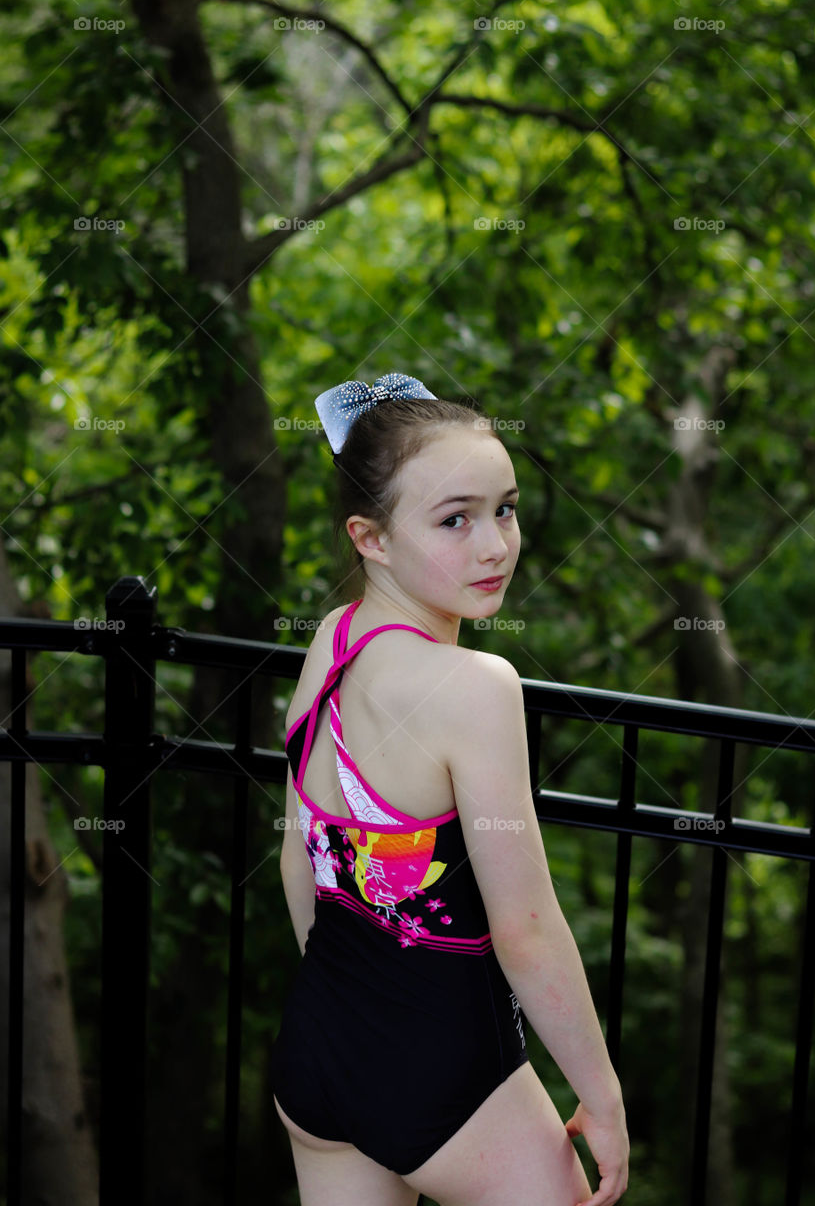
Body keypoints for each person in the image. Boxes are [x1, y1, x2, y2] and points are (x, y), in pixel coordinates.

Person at [270, 373, 629, 1206]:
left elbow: (299, 863)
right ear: (371, 538)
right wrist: (602, 1095)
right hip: (443, 1072)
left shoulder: (334, 639)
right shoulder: (476, 686)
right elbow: (527, 930)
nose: (495, 544)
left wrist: (357, 1017)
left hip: (318, 1052)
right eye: (454, 519)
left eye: (503, 508)